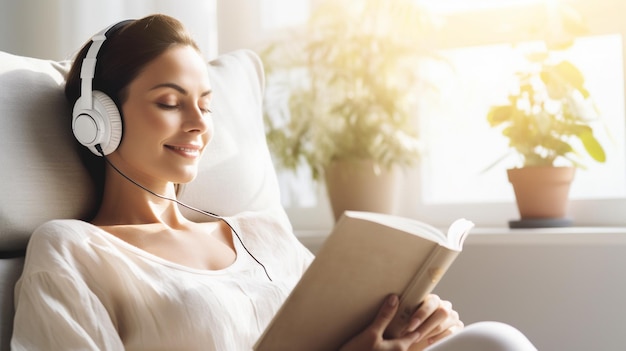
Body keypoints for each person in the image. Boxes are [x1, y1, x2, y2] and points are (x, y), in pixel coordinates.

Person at [11, 14, 536, 351]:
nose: (198, 123)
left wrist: (408, 329)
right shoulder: (74, 250)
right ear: (98, 121)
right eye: (170, 103)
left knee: (493, 341)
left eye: (207, 104)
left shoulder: (264, 235)